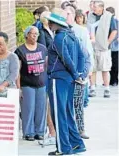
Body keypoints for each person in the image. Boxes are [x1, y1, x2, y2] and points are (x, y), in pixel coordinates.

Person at [45, 8, 86, 155]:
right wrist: (79, 74)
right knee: (68, 113)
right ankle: (77, 144)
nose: (49, 25)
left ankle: (63, 149)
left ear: (55, 24)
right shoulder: (72, 36)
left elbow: (66, 58)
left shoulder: (58, 38)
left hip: (59, 79)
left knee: (59, 114)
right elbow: (82, 56)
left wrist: (76, 75)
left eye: (50, 22)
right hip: (69, 80)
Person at [63, 4, 93, 139]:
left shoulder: (81, 31)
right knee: (65, 105)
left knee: (78, 104)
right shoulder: (59, 31)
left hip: (79, 76)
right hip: (64, 76)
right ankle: (66, 130)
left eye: (69, 14)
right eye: (65, 14)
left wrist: (86, 72)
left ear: (74, 15)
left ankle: (80, 129)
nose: (67, 16)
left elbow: (87, 53)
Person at [15, 26, 47, 141]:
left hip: (41, 84)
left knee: (41, 109)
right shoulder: (20, 51)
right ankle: (28, 133)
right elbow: (17, 71)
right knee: (28, 109)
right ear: (27, 34)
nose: (35, 36)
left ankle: (40, 131)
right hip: (27, 84)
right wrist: (18, 88)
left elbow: (46, 65)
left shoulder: (43, 49)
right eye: (32, 33)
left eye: (36, 34)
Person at [89, 0, 117, 98]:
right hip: (91, 47)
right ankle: (92, 88)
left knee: (105, 69)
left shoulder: (109, 16)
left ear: (101, 8)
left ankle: (106, 89)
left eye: (95, 7)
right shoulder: (90, 16)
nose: (93, 8)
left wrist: (108, 42)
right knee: (92, 69)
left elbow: (114, 31)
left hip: (104, 48)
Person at [37, 11, 56, 146]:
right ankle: (50, 130)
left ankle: (53, 130)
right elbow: (44, 50)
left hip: (53, 68)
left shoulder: (51, 31)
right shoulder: (42, 32)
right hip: (47, 69)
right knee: (48, 102)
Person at [106, 7, 119, 86]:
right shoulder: (105, 22)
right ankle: (109, 81)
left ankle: (114, 80)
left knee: (114, 64)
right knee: (108, 65)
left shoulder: (117, 22)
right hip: (107, 46)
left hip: (115, 47)